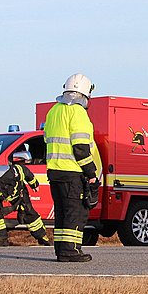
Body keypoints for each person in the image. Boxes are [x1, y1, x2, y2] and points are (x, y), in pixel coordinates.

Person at [44, 73, 101, 262]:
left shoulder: (53, 111)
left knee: (61, 212)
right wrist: (91, 173)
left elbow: (46, 140)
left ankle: (61, 250)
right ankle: (70, 251)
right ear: (85, 93)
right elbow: (81, 148)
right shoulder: (78, 113)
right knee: (74, 212)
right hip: (73, 172)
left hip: (54, 171)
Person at [0, 161, 52, 248]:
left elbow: (24, 170)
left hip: (18, 194)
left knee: (28, 213)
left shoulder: (9, 174)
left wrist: (34, 183)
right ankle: (1, 239)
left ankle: (42, 237)